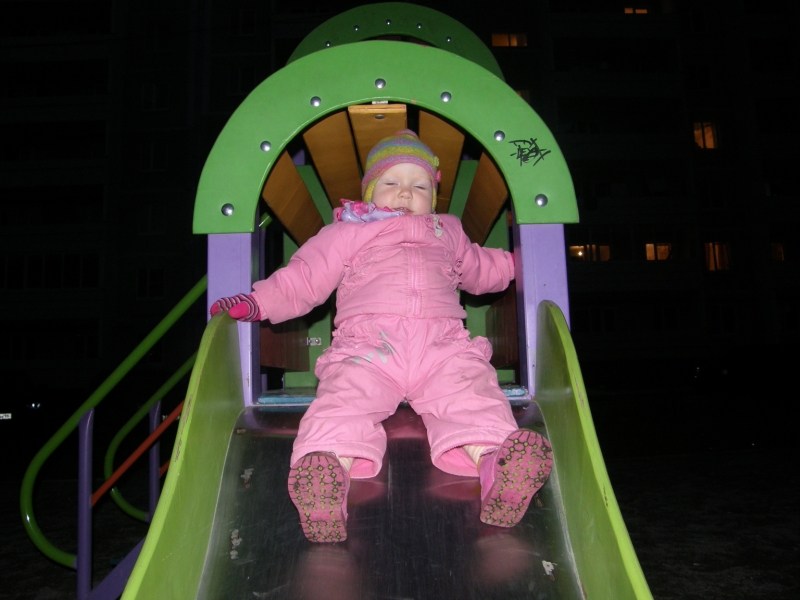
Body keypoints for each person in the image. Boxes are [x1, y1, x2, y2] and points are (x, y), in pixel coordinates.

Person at [211, 130, 552, 542]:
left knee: (474, 395)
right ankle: (327, 475)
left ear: (433, 197)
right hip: (368, 348)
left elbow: (480, 268)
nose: (406, 193)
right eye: (392, 182)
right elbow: (304, 277)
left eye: (420, 186)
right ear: (370, 191)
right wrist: (258, 302)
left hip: (443, 347)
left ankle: (498, 465)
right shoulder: (348, 232)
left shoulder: (447, 232)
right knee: (344, 401)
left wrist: (520, 262)